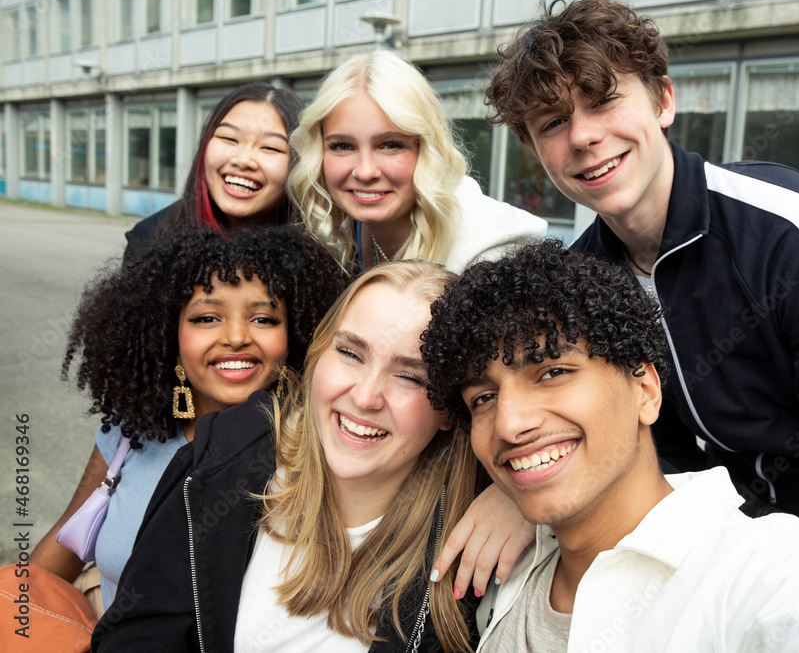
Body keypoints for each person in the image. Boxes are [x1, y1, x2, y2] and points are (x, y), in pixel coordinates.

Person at [482, 0, 799, 611]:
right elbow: (646, 434)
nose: (584, 136)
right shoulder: (585, 276)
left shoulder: (793, 230)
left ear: (663, 101)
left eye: (603, 100)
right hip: (738, 494)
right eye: (552, 124)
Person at [420, 241, 799, 652]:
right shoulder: (507, 567)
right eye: (483, 398)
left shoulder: (757, 566)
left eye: (552, 372)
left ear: (646, 390)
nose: (511, 422)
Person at [91, 260, 531, 652]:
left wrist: (524, 503)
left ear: (451, 413)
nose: (364, 396)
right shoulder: (222, 462)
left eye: (410, 377)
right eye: (349, 353)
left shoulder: (471, 544)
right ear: (319, 355)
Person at [30, 226, 350, 615]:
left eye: (264, 319)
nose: (235, 337)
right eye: (207, 317)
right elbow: (57, 558)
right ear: (169, 334)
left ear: (296, 334)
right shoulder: (131, 433)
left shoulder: (320, 453)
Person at [289, 50, 547, 274]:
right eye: (342, 146)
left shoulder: (491, 253)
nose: (365, 171)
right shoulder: (340, 227)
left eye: (391, 145)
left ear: (426, 148)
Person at [124, 82, 305, 263]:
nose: (242, 160)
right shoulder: (149, 240)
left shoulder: (316, 249)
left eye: (270, 147)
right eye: (229, 138)